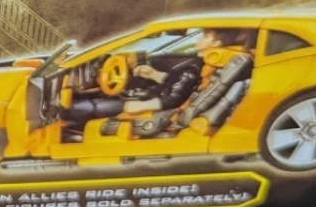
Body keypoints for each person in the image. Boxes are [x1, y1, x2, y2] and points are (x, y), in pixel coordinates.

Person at [59, 30, 226, 143]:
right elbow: (180, 86)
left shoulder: (195, 68)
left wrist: (141, 105)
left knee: (78, 108)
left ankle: (70, 134)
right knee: (92, 100)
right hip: (151, 98)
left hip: (150, 109)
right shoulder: (198, 65)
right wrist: (153, 74)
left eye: (205, 36)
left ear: (216, 43)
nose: (198, 39)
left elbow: (175, 99)